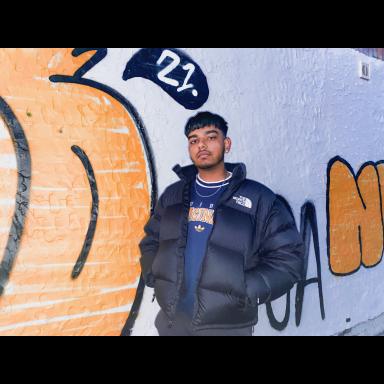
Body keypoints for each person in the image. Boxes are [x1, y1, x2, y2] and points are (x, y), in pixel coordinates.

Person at [139, 111, 304, 336]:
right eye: (194, 140)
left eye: (211, 137)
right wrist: (155, 275)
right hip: (173, 322)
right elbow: (151, 241)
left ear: (226, 144)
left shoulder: (259, 199)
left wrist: (245, 291)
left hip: (227, 327)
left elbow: (289, 259)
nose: (202, 145)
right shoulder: (173, 196)